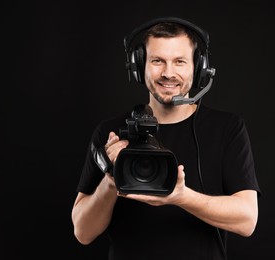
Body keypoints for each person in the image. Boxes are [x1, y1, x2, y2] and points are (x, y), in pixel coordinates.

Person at [71, 17, 261, 260]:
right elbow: (83, 232)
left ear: (199, 67)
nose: (168, 73)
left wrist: (182, 197)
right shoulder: (110, 132)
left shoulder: (227, 129)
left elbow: (247, 221)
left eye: (179, 62)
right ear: (139, 66)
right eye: (157, 61)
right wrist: (111, 179)